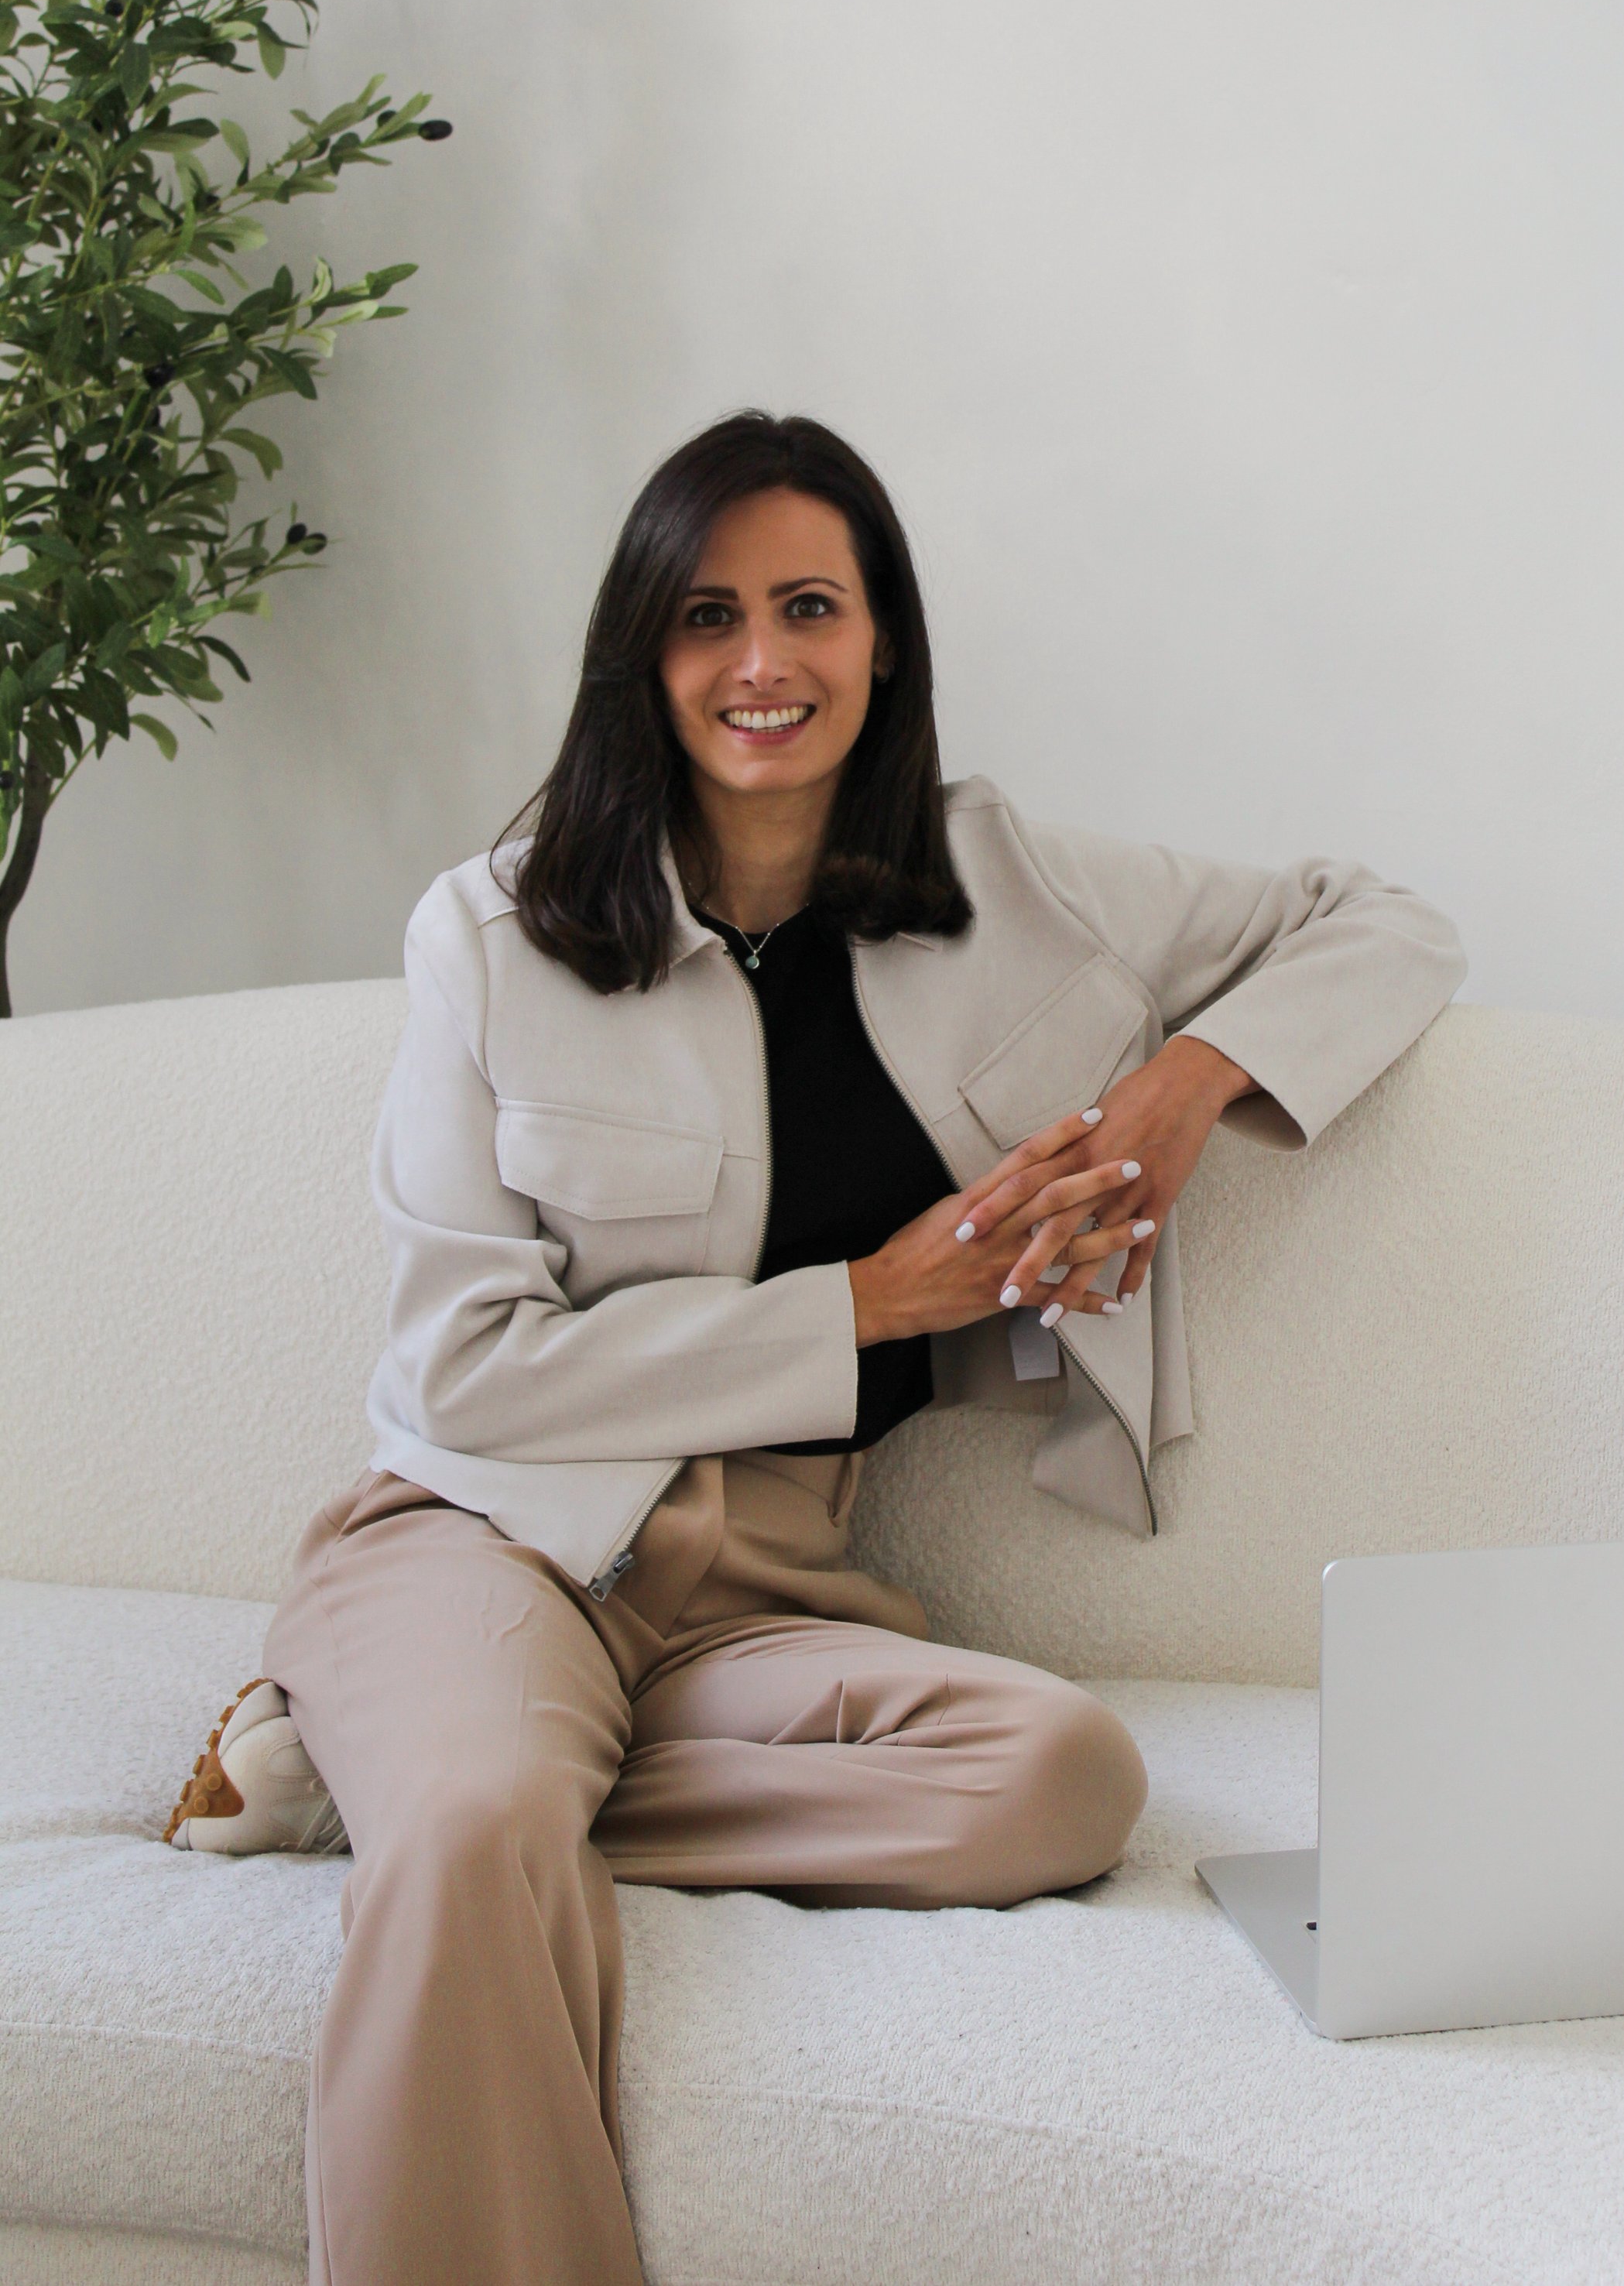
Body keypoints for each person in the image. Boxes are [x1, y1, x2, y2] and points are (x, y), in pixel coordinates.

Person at [165, 409, 1465, 2286]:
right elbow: (460, 1374)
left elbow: (1386, 922)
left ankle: (377, 1765)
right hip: (488, 1539)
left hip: (762, 1582)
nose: (762, 663)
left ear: (881, 643)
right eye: (707, 616)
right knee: (463, 1846)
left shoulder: (1009, 879)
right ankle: (432, 1765)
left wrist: (1183, 1092)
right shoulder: (492, 933)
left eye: (808, 608)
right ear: (644, 654)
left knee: (1057, 1779)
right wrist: (870, 1304)